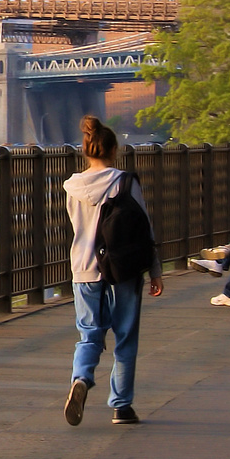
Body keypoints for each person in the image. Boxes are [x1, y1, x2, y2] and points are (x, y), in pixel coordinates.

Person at [62, 115, 162, 428]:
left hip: (85, 267)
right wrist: (156, 270)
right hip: (124, 268)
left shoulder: (73, 186)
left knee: (89, 334)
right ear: (113, 150)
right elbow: (144, 227)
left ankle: (81, 378)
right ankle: (121, 406)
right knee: (125, 336)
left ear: (86, 150)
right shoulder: (124, 182)